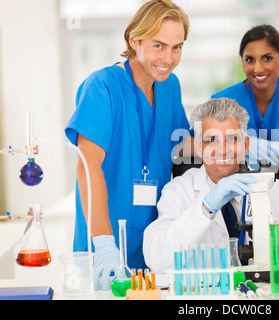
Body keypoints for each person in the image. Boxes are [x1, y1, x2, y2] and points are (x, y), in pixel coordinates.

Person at [65, 0, 192, 290]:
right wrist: (104, 245)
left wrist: (233, 143)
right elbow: (87, 167)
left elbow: (181, 143)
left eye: (177, 47)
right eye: (158, 45)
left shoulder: (170, 85)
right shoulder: (102, 87)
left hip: (154, 243)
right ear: (134, 40)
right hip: (107, 243)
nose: (169, 58)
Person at [143, 98, 279, 273]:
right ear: (198, 148)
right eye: (211, 139)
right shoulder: (178, 192)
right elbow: (158, 260)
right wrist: (206, 207)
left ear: (245, 145)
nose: (222, 149)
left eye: (232, 139)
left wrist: (275, 257)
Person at [212, 24, 279, 168]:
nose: (258, 68)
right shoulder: (223, 100)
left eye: (267, 58)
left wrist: (277, 148)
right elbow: (199, 144)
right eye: (250, 60)